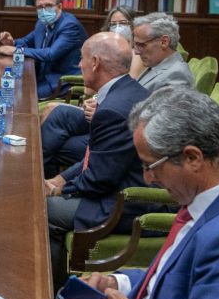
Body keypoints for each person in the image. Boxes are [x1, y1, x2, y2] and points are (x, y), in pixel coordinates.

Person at [62, 87, 219, 299]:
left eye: (151, 166)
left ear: (192, 158)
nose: (148, 179)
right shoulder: (205, 200)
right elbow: (173, 276)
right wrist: (117, 284)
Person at [45, 32, 153, 290]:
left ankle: (54, 294)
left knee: (42, 211)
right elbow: (96, 157)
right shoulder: (129, 90)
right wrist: (59, 179)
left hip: (127, 202)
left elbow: (98, 180)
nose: (78, 65)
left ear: (94, 62)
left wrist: (56, 191)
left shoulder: (112, 110)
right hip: (123, 186)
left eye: (81, 59)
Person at [41, 11, 195, 177]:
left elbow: (159, 126)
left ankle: (43, 184)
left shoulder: (177, 75)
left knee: (57, 144)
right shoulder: (155, 65)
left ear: (164, 41)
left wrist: (104, 111)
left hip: (125, 138)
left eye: (141, 45)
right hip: (113, 121)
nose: (136, 51)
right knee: (58, 115)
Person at [0, 0, 88, 98]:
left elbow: (51, 54)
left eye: (48, 5)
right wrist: (12, 42)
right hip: (42, 75)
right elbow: (28, 41)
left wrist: (16, 50)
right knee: (9, 88)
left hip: (62, 81)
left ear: (60, 7)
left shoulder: (70, 26)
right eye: (40, 7)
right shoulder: (42, 22)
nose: (44, 10)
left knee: (25, 96)